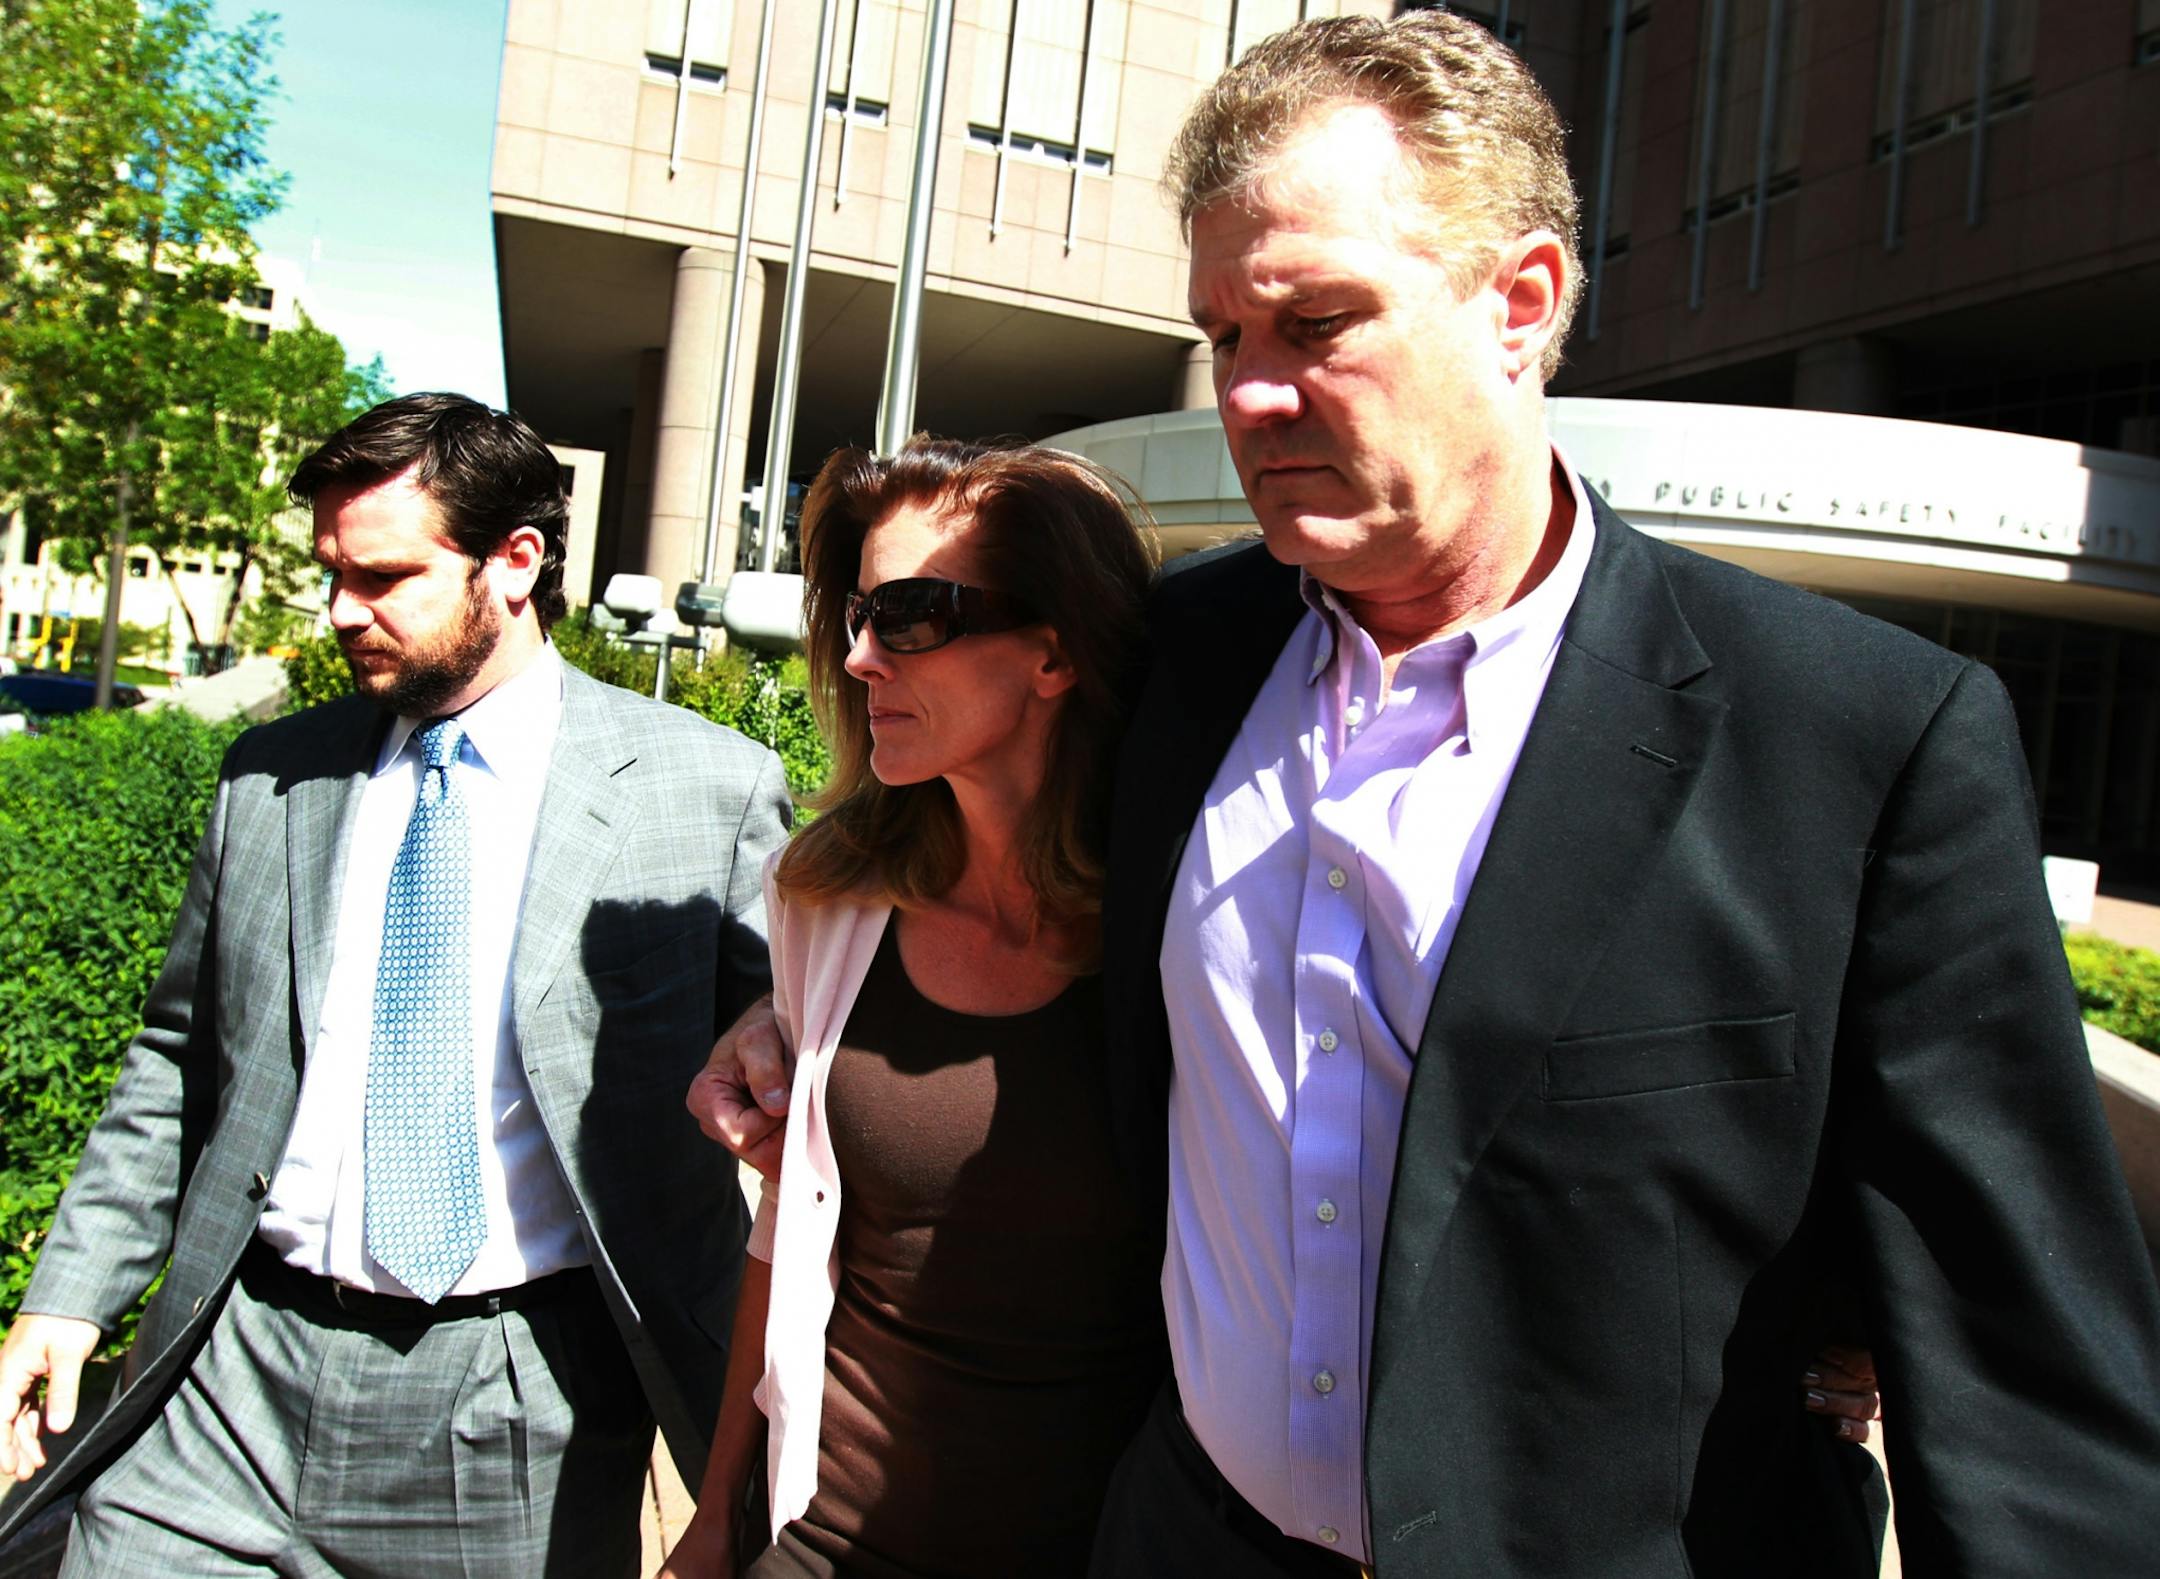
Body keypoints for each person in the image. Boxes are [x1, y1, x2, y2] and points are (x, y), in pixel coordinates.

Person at [702, 13, 2160, 1578]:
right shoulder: (1174, 661)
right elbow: (991, 849)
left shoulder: (1857, 735)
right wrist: (800, 1015)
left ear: (1519, 302)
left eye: (1316, 321)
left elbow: (2021, 1370)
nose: (1250, 395)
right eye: (1224, 338)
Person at [0, 393, 790, 1577]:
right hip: (229, 1375)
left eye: (381, 577)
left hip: (513, 1410)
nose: (339, 612)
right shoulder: (272, 776)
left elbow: (801, 1048)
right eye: (330, 572)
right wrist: (68, 1290)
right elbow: (178, 1055)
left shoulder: (708, 789)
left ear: (513, 564)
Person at [658, 438, 1162, 1578]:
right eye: (856, 616)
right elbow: (785, 1236)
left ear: (1055, 650)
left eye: (911, 616)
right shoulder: (828, 900)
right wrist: (714, 1514)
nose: (859, 656)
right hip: (826, 1541)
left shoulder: (1185, 926)